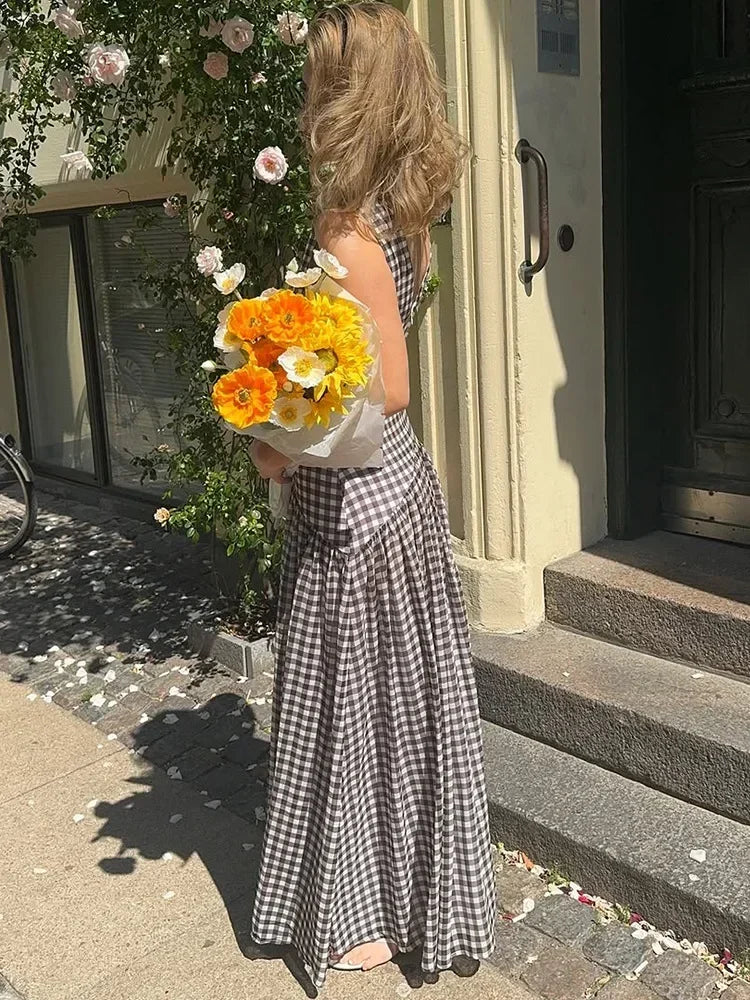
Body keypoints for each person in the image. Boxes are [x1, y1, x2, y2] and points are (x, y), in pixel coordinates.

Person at [249, 2, 496, 991]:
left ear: (344, 92)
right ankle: (405, 899)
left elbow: (385, 389)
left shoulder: (349, 230)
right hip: (388, 497)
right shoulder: (400, 217)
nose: (310, 88)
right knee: (403, 711)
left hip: (358, 510)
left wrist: (276, 440)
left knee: (355, 712)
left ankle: (364, 919)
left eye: (320, 74)